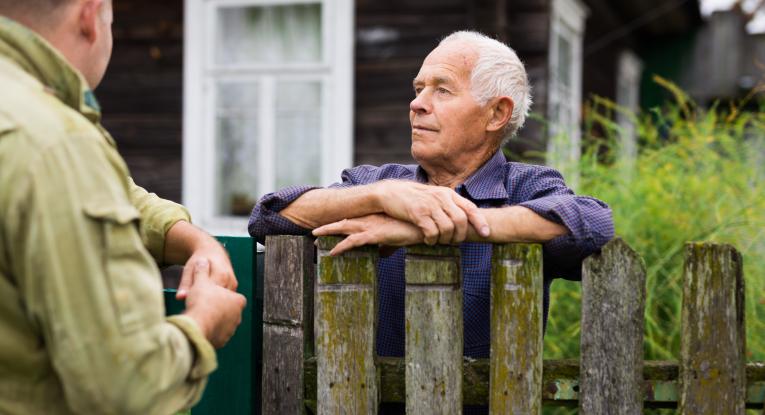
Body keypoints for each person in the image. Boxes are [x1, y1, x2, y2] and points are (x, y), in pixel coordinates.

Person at [249, 31, 613, 411]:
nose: (417, 104)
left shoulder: (526, 187)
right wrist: (381, 197)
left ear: (496, 113)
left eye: (442, 90)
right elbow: (268, 217)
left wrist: (439, 226)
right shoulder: (376, 181)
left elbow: (594, 225)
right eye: (418, 88)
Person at [0, 0, 246, 413]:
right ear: (90, 17)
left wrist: (194, 239)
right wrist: (202, 324)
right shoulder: (57, 141)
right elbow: (127, 387)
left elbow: (97, 192)